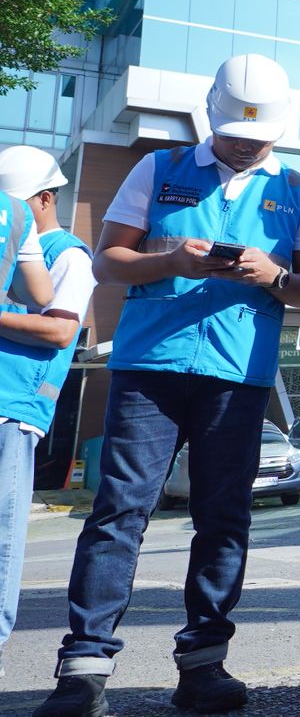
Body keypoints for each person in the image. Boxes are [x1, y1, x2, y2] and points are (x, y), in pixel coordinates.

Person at [34, 54, 300, 717]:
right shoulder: (158, 168)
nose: (247, 144)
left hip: (238, 374)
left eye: (260, 135)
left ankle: (203, 666)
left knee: (224, 518)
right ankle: (83, 669)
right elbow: (109, 262)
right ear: (210, 118)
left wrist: (275, 276)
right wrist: (171, 260)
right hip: (150, 368)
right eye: (235, 133)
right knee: (119, 512)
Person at [0, 146, 86, 674]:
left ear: (46, 199)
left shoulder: (68, 254)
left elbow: (59, 330)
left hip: (14, 409)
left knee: (2, 536)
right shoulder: (11, 236)